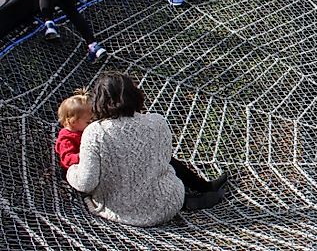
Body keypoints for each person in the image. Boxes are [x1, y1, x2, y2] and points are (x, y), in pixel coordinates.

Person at [66, 71, 228, 227]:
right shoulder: (157, 122)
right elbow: (165, 162)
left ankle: (197, 193)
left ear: (99, 101)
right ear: (134, 95)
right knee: (161, 166)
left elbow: (86, 183)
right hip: (166, 205)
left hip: (119, 211)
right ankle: (192, 196)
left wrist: (71, 171)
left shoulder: (95, 132)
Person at [55, 89, 93, 170]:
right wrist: (85, 156)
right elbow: (67, 160)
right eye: (88, 122)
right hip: (77, 171)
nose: (91, 124)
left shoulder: (81, 130)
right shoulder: (66, 138)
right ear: (73, 121)